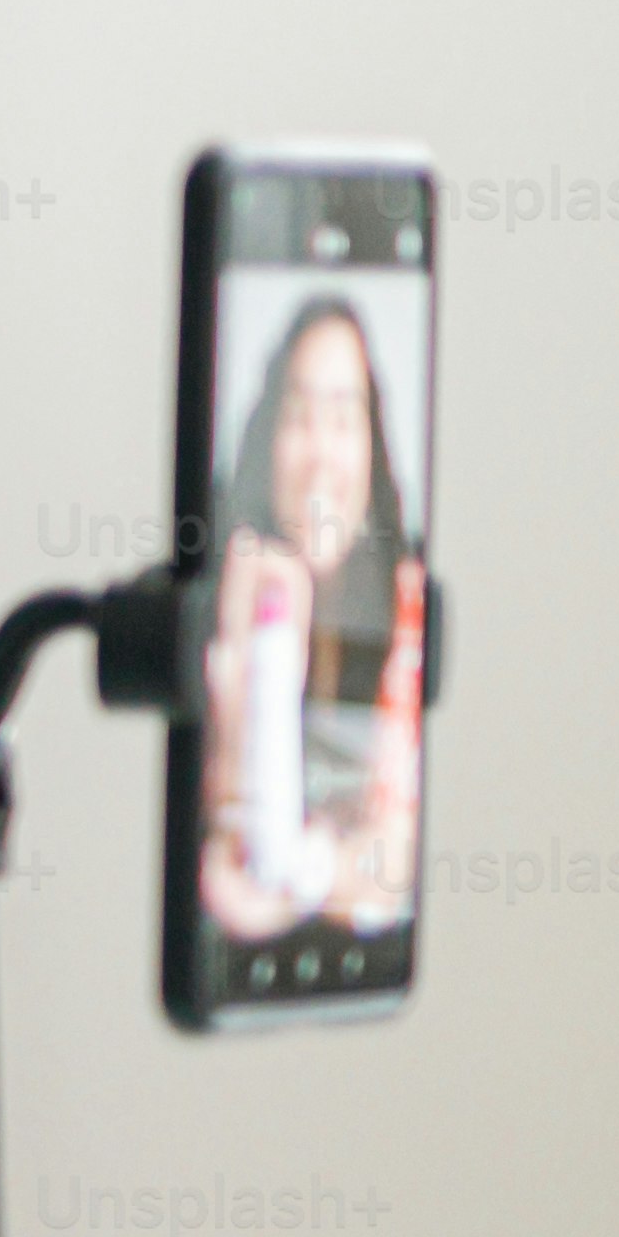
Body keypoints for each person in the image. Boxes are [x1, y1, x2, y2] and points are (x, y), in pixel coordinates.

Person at [194, 292, 421, 940]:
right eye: (301, 416)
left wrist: (307, 876)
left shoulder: (402, 606)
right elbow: (218, 858)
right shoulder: (227, 596)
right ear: (269, 439)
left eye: (345, 420)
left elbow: (399, 856)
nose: (322, 452)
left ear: (371, 447)